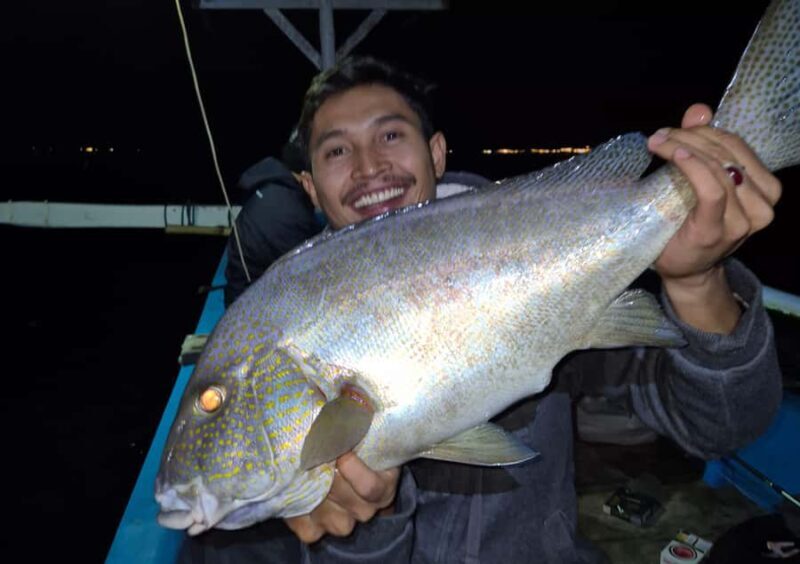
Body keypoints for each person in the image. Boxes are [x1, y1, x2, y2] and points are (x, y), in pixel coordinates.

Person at [185, 56, 783, 563]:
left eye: (390, 136)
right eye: (337, 150)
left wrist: (697, 282)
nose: (368, 167)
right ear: (311, 187)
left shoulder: (539, 249)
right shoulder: (286, 316)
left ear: (436, 154)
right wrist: (365, 524)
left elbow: (723, 426)